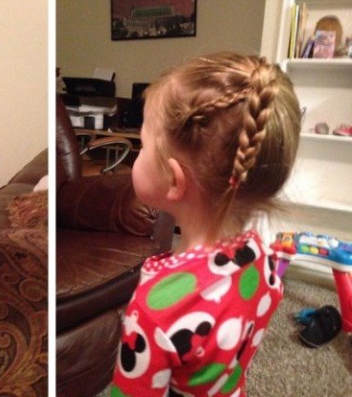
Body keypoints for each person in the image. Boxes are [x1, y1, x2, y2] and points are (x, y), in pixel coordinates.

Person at [111, 52, 301, 396]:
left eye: (140, 146)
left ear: (174, 180)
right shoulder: (263, 258)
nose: (137, 155)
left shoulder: (156, 311)